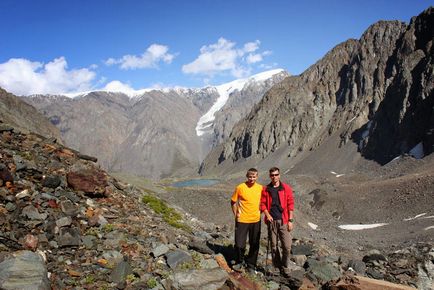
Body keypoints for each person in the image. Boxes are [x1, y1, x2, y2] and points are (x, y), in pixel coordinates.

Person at [260, 167, 294, 276]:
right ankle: (277, 266)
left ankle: (285, 265)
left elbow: (290, 204)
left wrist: (290, 220)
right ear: (270, 176)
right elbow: (262, 204)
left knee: (287, 246)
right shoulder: (266, 189)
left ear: (279, 175)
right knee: (274, 246)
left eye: (276, 174)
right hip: (271, 221)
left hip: (283, 220)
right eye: (272, 175)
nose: (274, 177)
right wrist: (267, 214)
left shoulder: (286, 188)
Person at [230, 168, 262, 273]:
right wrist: (236, 214)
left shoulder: (260, 188)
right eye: (250, 177)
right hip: (242, 219)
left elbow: (264, 201)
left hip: (255, 220)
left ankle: (251, 265)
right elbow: (233, 201)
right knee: (239, 243)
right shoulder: (240, 187)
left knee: (254, 243)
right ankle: (239, 261)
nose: (252, 179)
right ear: (247, 176)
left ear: (257, 177)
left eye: (254, 177)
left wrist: (261, 212)